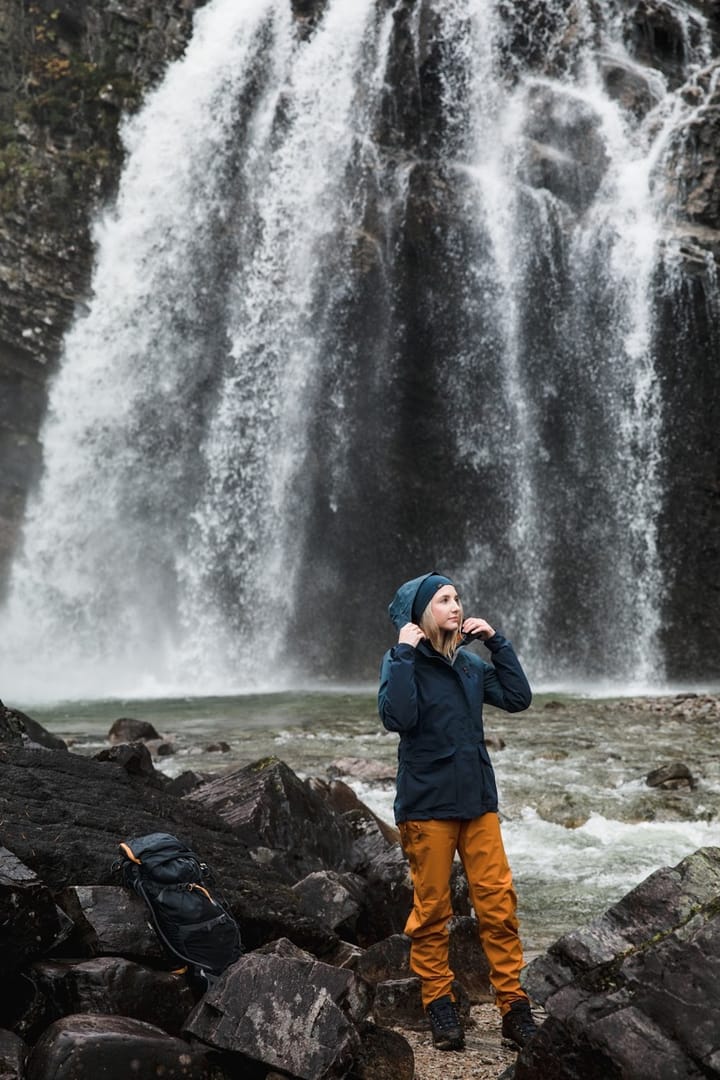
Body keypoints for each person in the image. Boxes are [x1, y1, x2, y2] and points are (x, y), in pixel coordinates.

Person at [378, 571, 538, 1053]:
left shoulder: (470, 665)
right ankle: (439, 1004)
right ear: (422, 612)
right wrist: (404, 653)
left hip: (477, 802)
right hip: (427, 806)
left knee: (498, 903)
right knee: (432, 912)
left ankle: (513, 1006)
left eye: (457, 597)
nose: (456, 605)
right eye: (444, 599)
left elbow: (517, 698)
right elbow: (397, 718)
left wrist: (498, 644)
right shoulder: (399, 661)